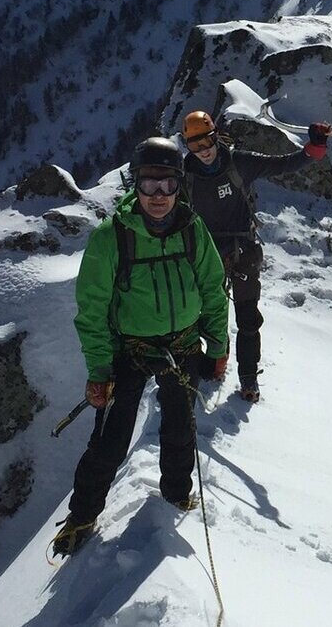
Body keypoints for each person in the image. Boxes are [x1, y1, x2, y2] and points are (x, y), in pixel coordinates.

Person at [51, 137, 229, 556]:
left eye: (168, 186)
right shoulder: (113, 237)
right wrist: (99, 371)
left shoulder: (192, 228)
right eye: (149, 185)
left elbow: (212, 289)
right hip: (128, 351)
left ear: (179, 186)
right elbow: (91, 310)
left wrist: (218, 345)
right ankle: (82, 515)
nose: (159, 197)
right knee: (111, 440)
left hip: (183, 344)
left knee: (180, 428)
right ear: (136, 185)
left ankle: (176, 493)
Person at [179, 109, 332, 403]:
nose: (204, 151)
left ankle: (248, 378)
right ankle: (216, 362)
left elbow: (286, 164)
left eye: (208, 142)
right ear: (187, 147)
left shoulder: (239, 163)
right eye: (196, 146)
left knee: (248, 318)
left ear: (216, 137)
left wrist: (315, 146)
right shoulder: (184, 177)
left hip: (242, 251)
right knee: (206, 315)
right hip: (206, 254)